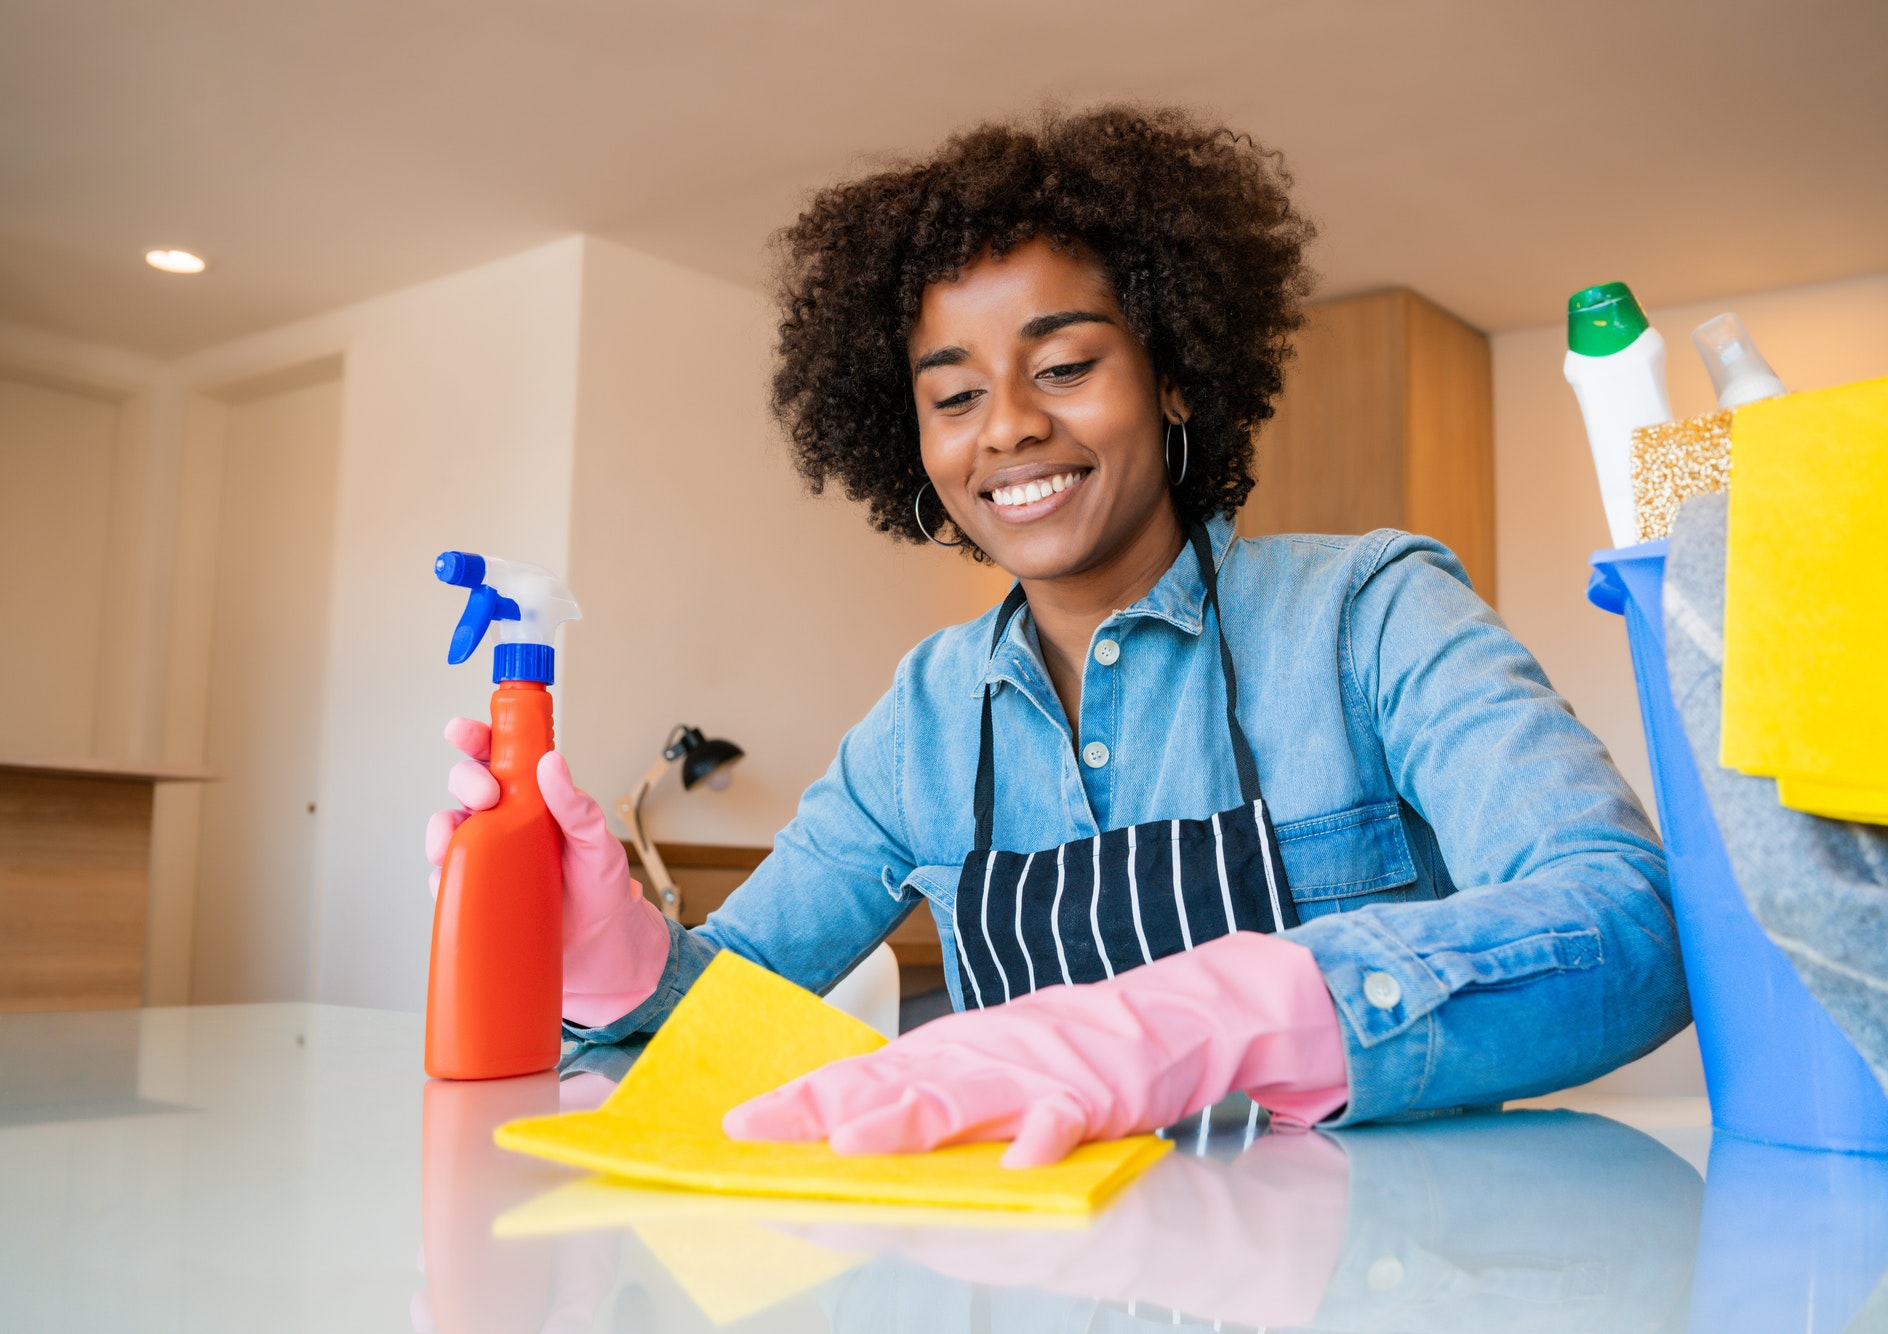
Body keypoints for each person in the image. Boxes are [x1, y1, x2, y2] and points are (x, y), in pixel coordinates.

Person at [426, 106, 1689, 1166]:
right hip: (1037, 1271)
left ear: (1175, 375)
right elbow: (722, 1013)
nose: (1008, 427)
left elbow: (1630, 925)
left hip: (1357, 1272)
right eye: (955, 394)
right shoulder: (923, 719)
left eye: (1066, 364)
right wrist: (614, 961)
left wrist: (1219, 1014)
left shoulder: (1369, 613)